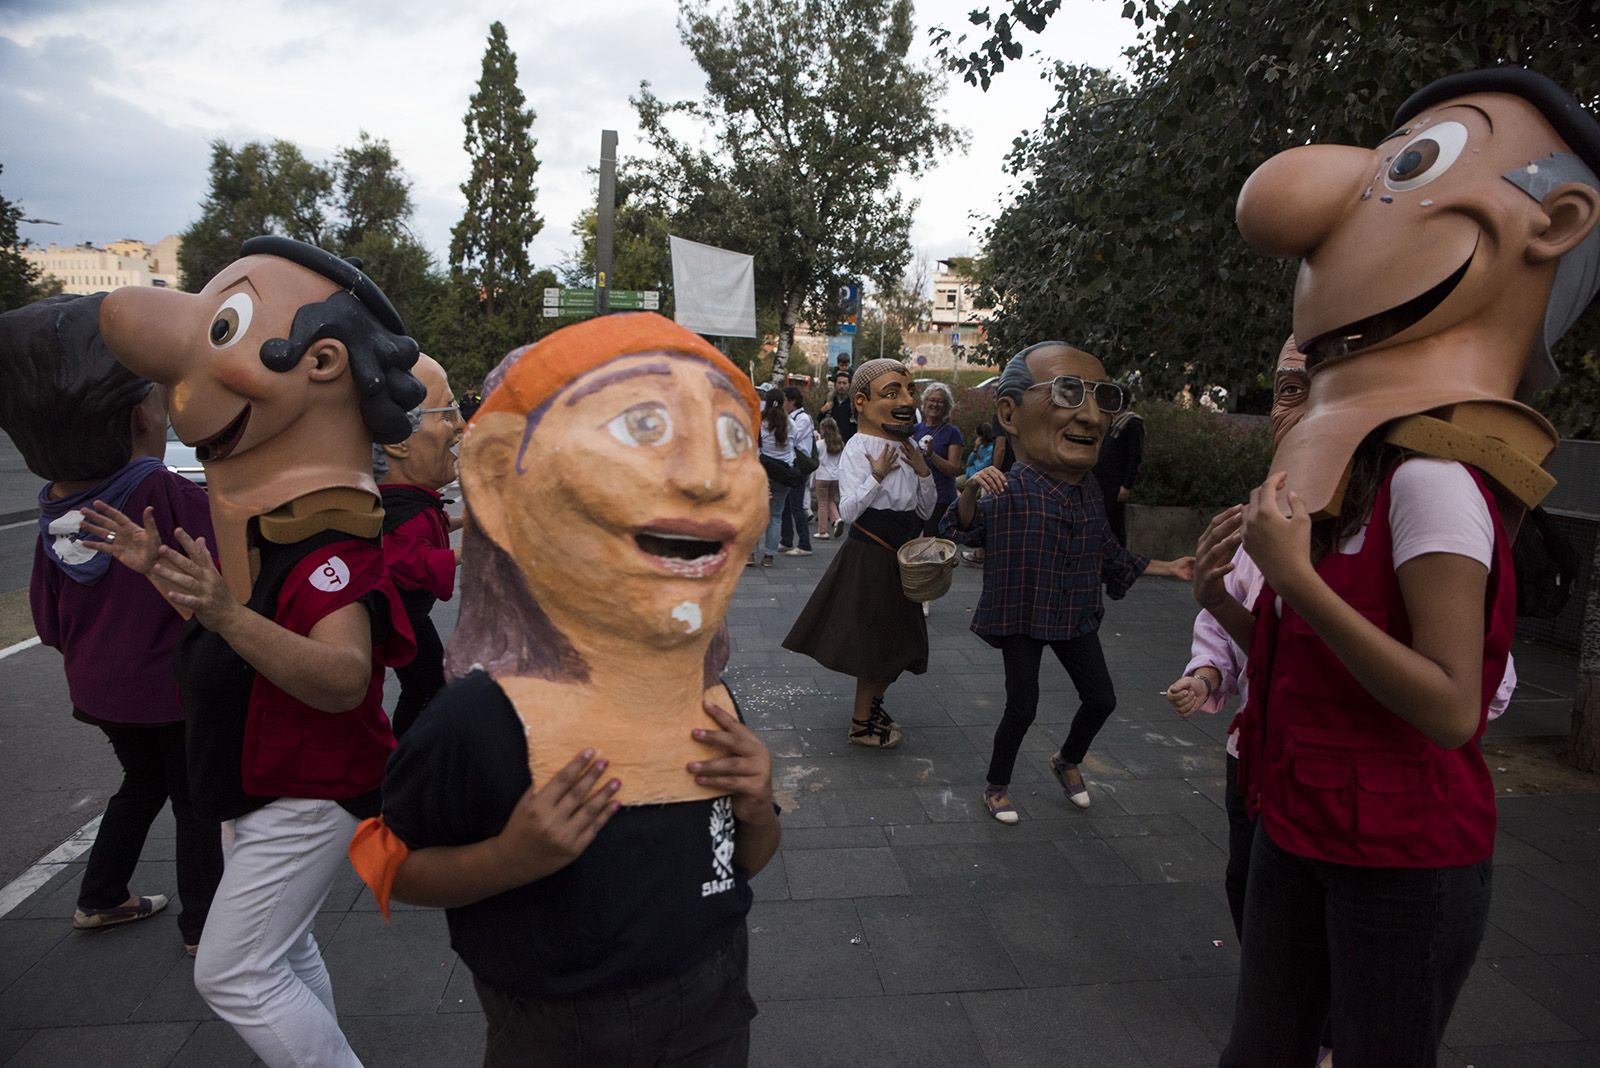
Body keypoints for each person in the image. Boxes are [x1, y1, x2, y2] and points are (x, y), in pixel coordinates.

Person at [1214, 69, 1600, 1066]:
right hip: (1297, 824)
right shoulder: (1348, 474)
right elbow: (1306, 656)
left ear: (1553, 221)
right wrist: (1232, 589)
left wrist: (1293, 581)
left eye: (1414, 166)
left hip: (1398, 858)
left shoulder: (1432, 482)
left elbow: (1447, 706)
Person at [347, 313, 779, 1067]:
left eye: (735, 437)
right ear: (494, 479)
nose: (709, 475)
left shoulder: (710, 704)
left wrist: (755, 802)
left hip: (714, 1002)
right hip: (558, 1029)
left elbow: (746, 859)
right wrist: (509, 858)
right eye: (643, 423)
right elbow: (390, 866)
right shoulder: (479, 722)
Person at [88, 236, 422, 1068]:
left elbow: (344, 680)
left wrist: (228, 617)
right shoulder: (274, 530)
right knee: (285, 950)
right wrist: (167, 575)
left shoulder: (329, 540)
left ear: (323, 364)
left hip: (301, 787)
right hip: (251, 778)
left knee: (234, 973)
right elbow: (236, 623)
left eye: (226, 323)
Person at [1, 293, 223, 955]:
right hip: (173, 692)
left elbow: (47, 619)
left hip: (101, 694)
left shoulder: (53, 514)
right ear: (139, 413)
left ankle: (102, 894)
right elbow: (224, 572)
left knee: (141, 781)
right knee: (194, 797)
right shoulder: (165, 493)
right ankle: (203, 926)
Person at [943, 342, 1193, 823]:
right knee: (1022, 708)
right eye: (1068, 393)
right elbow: (959, 529)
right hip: (1022, 613)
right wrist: (972, 487)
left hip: (1074, 611)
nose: (1091, 417)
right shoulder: (1007, 487)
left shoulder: (1088, 493)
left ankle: (1067, 761)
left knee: (1102, 698)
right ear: (1010, 414)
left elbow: (1107, 553)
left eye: (1102, 398)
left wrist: (1170, 567)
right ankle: (997, 786)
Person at [783, 359, 934, 749]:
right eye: (893, 392)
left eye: (909, 390)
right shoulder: (857, 447)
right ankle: (862, 723)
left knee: (899, 642)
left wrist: (923, 472)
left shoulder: (910, 446)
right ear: (863, 402)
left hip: (901, 557)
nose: (906, 400)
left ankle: (874, 707)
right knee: (876, 643)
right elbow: (847, 512)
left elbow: (925, 510)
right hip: (870, 556)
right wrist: (878, 475)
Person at [374, 354, 465, 739]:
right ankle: (411, 752)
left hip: (410, 617)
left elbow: (434, 525)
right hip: (404, 621)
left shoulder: (409, 502)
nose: (460, 427)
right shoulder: (399, 509)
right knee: (432, 687)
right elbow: (413, 560)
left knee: (420, 688)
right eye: (447, 413)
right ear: (397, 443)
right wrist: (475, 550)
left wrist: (467, 522)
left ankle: (406, 748)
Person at [911, 382, 964, 536]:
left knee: (932, 546)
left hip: (940, 499)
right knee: (907, 543)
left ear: (946, 406)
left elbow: (953, 469)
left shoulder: (952, 433)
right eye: (931, 400)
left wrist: (931, 455)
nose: (935, 404)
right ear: (925, 402)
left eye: (940, 401)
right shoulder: (915, 430)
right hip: (916, 496)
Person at [753, 388, 795, 568]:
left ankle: (749, 554)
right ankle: (769, 555)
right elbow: (794, 448)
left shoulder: (760, 422)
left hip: (762, 472)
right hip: (783, 473)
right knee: (776, 515)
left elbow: (755, 448)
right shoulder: (790, 423)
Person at [1092, 403, 1144, 546]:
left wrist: (1126, 485)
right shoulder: (1111, 421)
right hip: (1100, 479)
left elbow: (1135, 457)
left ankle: (1119, 559)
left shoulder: (1132, 423)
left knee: (1114, 523)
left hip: (1116, 482)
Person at [780, 386, 815, 557]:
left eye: (785, 400)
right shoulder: (792, 417)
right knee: (786, 504)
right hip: (791, 464)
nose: (783, 404)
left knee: (796, 505)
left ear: (792, 401)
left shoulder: (802, 418)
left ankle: (804, 543)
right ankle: (786, 539)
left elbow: (791, 438)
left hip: (799, 466)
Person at [813, 416, 846, 540]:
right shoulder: (840, 444)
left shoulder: (820, 444)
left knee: (822, 503)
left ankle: (823, 531)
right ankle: (837, 519)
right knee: (830, 500)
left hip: (822, 475)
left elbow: (815, 458)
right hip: (835, 476)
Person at [816, 365, 857, 442]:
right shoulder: (830, 401)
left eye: (844, 383)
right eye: (839, 383)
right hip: (831, 444)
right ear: (835, 384)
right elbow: (819, 420)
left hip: (847, 443)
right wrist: (822, 411)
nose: (841, 386)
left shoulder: (853, 403)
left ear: (849, 385)